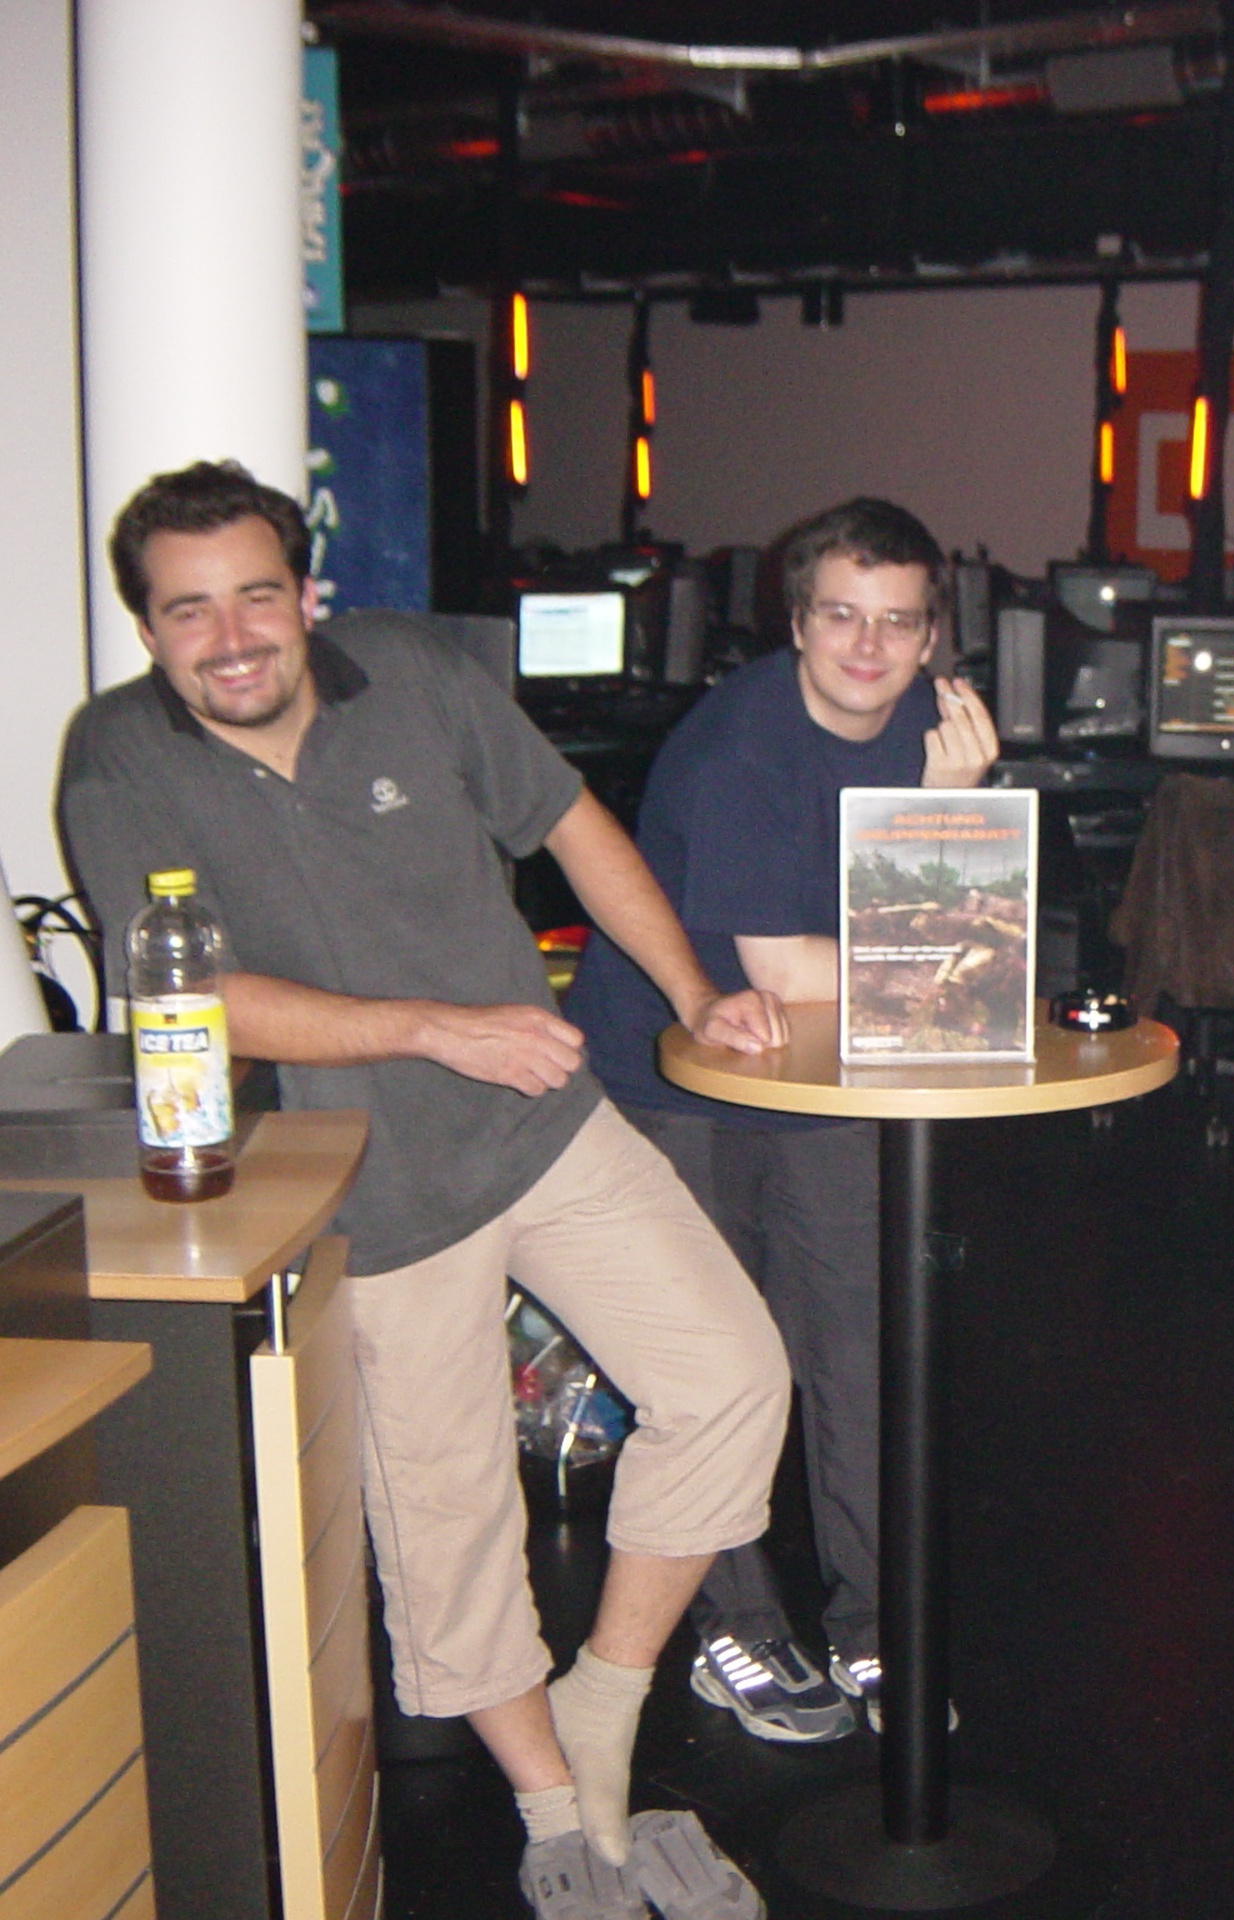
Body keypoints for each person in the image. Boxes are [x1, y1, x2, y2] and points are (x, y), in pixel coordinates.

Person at [59, 461, 792, 1920]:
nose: (230, 638)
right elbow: (186, 993)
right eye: (188, 611)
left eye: (255, 595)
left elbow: (571, 824)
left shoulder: (411, 671)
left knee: (730, 1379)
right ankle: (552, 1816)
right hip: (366, 1188)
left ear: (304, 594)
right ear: (147, 629)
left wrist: (693, 991)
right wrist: (431, 1027)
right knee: (450, 1522)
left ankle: (603, 1705)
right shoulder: (118, 756)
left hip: (542, 1124)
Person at [562, 497, 998, 1743]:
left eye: (896, 622)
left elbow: (962, 934)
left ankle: (871, 1623)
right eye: (841, 616)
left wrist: (951, 802)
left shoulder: (938, 730)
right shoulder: (739, 748)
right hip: (679, 1073)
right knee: (720, 1366)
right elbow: (801, 969)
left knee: (855, 1352)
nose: (868, 647)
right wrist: (951, 929)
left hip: (823, 1069)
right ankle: (736, 1625)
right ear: (796, 622)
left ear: (930, 635)